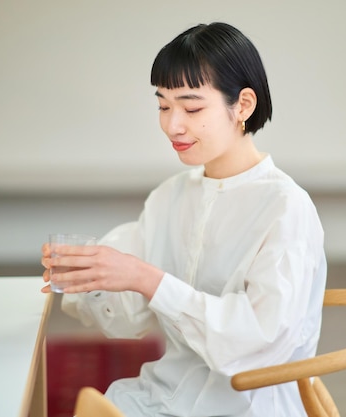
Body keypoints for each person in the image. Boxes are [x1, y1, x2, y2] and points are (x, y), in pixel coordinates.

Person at [41, 22, 326, 417]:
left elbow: (259, 346)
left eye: (192, 108)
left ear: (243, 105)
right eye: (163, 105)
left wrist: (147, 279)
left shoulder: (285, 207)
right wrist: (88, 274)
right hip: (163, 395)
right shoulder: (171, 197)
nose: (173, 125)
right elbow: (127, 321)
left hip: (247, 406)